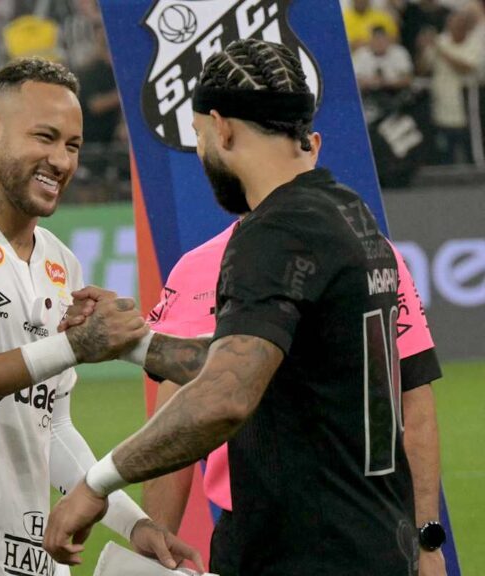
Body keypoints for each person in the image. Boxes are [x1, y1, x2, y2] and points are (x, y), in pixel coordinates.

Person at [44, 38, 425, 575]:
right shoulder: (350, 217)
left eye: (199, 135)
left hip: (307, 555)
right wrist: (133, 344)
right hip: (372, 544)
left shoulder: (274, 231)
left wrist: (96, 483)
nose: (202, 152)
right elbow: (252, 364)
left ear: (222, 128)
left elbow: (225, 395)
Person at [0, 57, 203, 576]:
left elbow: (50, 425)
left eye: (73, 146)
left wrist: (134, 524)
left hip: (33, 559)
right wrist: (74, 346)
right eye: (45, 137)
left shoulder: (62, 263)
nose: (61, 160)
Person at [137, 225, 447, 575]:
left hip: (364, 529)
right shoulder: (196, 267)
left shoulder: (370, 254)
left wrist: (426, 541)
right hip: (249, 540)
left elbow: (413, 403)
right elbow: (174, 423)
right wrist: (156, 548)